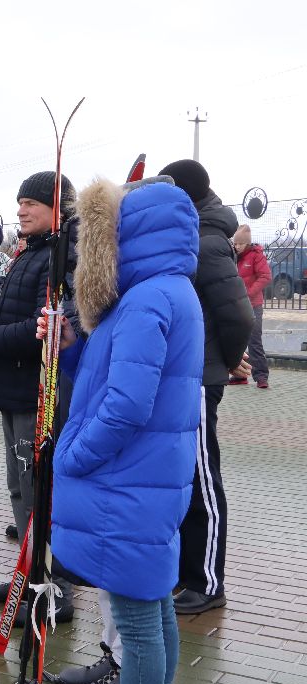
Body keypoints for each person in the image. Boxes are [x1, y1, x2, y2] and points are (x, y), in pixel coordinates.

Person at [47, 176, 204, 684]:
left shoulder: (146, 298)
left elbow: (127, 405)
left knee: (139, 625)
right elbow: (118, 375)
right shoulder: (170, 288)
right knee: (154, 612)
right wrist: (72, 351)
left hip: (127, 483)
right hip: (148, 480)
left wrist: (74, 455)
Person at [0, 171, 80, 625]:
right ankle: (29, 576)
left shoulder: (61, 256)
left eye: (31, 202)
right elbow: (17, 312)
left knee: (39, 490)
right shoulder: (30, 253)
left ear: (58, 208)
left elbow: (40, 331)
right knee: (20, 488)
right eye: (19, 202)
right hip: (14, 392)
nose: (20, 210)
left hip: (39, 394)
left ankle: (56, 585)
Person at [158, 159, 253, 616]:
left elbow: (238, 315)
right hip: (184, 373)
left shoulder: (207, 243)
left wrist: (225, 361)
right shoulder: (188, 238)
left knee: (201, 480)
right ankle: (184, 574)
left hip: (198, 377)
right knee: (182, 476)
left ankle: (208, 582)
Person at [232, 224, 271, 388]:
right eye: (235, 243)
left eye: (240, 244)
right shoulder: (234, 256)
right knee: (237, 340)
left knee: (254, 341)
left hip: (253, 305)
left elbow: (265, 276)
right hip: (238, 305)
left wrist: (247, 293)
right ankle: (240, 375)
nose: (236, 246)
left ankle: (261, 376)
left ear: (247, 243)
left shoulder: (256, 256)